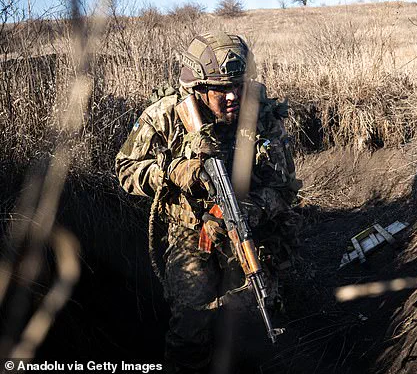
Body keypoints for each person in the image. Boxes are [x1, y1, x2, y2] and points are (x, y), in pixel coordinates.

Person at [115, 32, 302, 373]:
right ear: (198, 88)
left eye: (239, 85)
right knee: (192, 324)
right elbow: (125, 170)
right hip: (189, 231)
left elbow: (285, 187)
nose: (232, 96)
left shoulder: (262, 114)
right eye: (220, 89)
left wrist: (251, 209)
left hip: (245, 228)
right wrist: (172, 171)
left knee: (250, 315)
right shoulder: (166, 115)